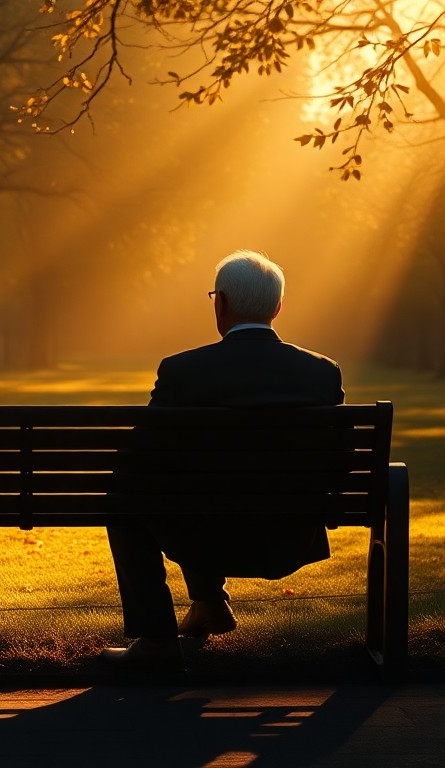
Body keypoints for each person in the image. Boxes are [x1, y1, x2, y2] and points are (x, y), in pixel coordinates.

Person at [102, 250, 344, 673]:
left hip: (200, 534)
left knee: (127, 494)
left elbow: (137, 458)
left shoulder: (183, 372)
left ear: (222, 303)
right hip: (288, 536)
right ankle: (209, 605)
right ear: (278, 307)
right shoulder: (321, 373)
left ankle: (158, 639)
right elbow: (340, 461)